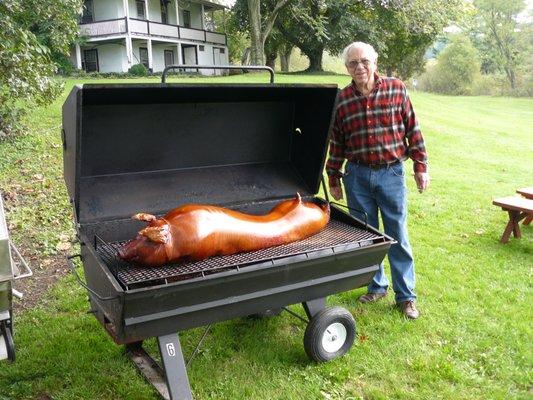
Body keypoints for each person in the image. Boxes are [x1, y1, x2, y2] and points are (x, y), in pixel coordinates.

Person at [326, 41, 429, 319]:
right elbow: (337, 142)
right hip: (357, 176)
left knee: (397, 235)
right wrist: (333, 176)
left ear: (375, 62)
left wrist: (421, 165)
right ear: (347, 68)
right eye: (352, 63)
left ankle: (406, 297)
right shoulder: (342, 100)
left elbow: (413, 129)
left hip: (391, 173)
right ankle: (376, 285)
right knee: (367, 237)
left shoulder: (396, 88)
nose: (359, 67)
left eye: (364, 61)